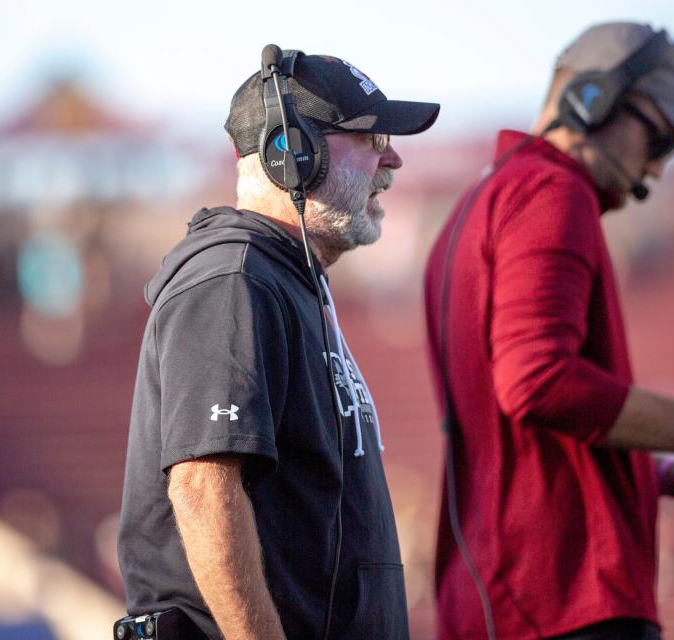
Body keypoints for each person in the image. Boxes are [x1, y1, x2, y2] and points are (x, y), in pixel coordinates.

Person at [423, 22, 674, 640]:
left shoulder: (480, 203)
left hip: (501, 598)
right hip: (563, 600)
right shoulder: (550, 190)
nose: (657, 166)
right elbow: (537, 382)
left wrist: (662, 472)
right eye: (658, 138)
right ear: (591, 102)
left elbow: (525, 438)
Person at [118, 49, 439, 640]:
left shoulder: (283, 281)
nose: (393, 159)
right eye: (372, 138)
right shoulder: (233, 280)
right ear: (292, 153)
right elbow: (202, 487)